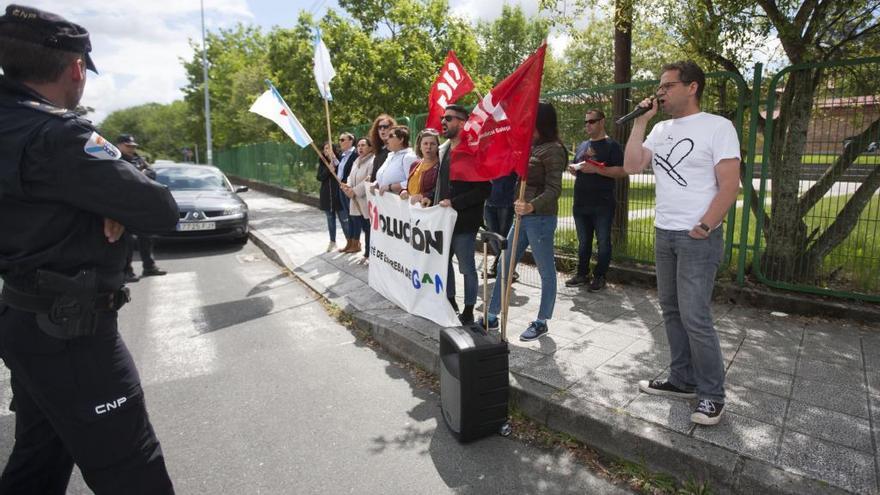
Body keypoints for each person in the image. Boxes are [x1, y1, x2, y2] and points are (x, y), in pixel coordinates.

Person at [0, 5, 177, 493]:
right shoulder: (59, 134)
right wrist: (112, 202)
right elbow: (160, 209)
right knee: (133, 470)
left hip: (22, 317)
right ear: (76, 68)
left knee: (38, 458)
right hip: (70, 331)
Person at [623, 60, 740, 426]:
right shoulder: (659, 130)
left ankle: (711, 395)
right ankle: (681, 379)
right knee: (671, 311)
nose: (660, 91)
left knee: (696, 316)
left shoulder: (718, 127)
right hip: (665, 232)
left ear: (692, 87)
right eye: (659, 86)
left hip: (696, 236)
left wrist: (706, 225)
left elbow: (730, 185)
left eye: (668, 85)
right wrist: (641, 121)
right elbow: (630, 166)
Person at [479, 102, 566, 341]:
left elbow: (554, 189)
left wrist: (532, 205)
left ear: (541, 121)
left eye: (529, 117)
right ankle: (493, 315)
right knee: (505, 265)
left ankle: (541, 321)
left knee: (546, 271)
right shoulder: (531, 146)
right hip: (521, 217)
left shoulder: (554, 149)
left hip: (540, 218)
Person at [436, 104, 491, 325]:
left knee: (467, 267)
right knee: (443, 263)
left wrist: (455, 203)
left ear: (462, 122)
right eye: (442, 118)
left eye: (448, 118)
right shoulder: (444, 150)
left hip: (465, 222)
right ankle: (450, 301)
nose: (443, 122)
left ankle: (469, 309)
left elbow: (484, 190)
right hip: (442, 220)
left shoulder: (473, 150)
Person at [564, 109, 625, 291]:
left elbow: (621, 171)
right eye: (586, 122)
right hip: (581, 202)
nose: (587, 125)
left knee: (603, 241)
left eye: (591, 121)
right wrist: (574, 169)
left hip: (602, 203)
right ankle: (582, 274)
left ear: (601, 122)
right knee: (583, 241)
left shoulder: (612, 146)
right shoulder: (583, 145)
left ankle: (600, 276)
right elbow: (581, 167)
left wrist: (597, 170)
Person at [117, 134, 167, 281]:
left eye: (133, 146)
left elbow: (152, 173)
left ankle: (149, 267)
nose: (131, 149)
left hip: (142, 204)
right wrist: (140, 175)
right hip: (125, 205)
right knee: (126, 241)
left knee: (147, 237)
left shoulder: (138, 159)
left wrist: (141, 174)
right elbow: (122, 178)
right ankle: (126, 271)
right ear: (119, 145)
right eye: (128, 146)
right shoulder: (114, 159)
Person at [341, 137, 375, 262]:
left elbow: (369, 179)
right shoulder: (356, 160)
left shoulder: (372, 161)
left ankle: (369, 253)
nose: (360, 148)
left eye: (363, 145)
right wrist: (348, 187)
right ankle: (367, 252)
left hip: (365, 199)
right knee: (362, 227)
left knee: (368, 228)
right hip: (354, 199)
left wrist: (354, 191)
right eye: (359, 145)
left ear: (370, 147)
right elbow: (350, 176)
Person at [484, 171, 517, 279]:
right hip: (489, 201)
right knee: (492, 235)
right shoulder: (488, 156)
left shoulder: (512, 156)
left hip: (506, 202)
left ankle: (501, 267)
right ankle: (505, 266)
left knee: (504, 236)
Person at [316, 142, 348, 252]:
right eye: (325, 148)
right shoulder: (322, 162)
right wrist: (328, 169)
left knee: (344, 219)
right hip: (326, 195)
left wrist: (334, 162)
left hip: (338, 195)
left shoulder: (340, 160)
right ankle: (332, 241)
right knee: (330, 219)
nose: (327, 150)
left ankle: (350, 241)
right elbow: (320, 177)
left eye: (329, 148)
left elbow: (343, 173)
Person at [400, 129, 441, 207]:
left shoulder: (441, 166)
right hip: (411, 211)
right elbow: (409, 187)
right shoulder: (414, 165)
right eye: (425, 143)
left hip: (430, 210)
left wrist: (424, 196)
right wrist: (403, 191)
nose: (428, 147)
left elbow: (443, 189)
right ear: (420, 147)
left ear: (438, 146)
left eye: (432, 144)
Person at [374, 125, 417, 194]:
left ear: (401, 139)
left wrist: (390, 187)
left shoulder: (409, 157)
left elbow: (413, 182)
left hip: (400, 203)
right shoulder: (390, 156)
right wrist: (376, 183)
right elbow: (384, 176)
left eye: (391, 136)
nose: (386, 138)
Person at [335, 132, 359, 253]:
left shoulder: (355, 154)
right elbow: (340, 169)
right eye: (340, 140)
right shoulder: (343, 155)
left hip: (349, 188)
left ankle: (356, 243)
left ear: (351, 141)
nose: (340, 142)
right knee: (348, 216)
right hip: (342, 188)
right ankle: (349, 242)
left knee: (353, 216)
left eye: (343, 139)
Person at [368, 114, 396, 182]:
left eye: (385, 127)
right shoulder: (379, 150)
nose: (382, 129)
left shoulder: (397, 150)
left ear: (392, 128)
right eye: (379, 127)